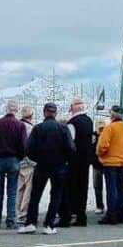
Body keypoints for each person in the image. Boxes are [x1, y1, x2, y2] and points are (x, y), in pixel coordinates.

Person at [19, 102, 74, 235]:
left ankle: (31, 223)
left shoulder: (38, 128)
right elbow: (71, 148)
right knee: (56, 196)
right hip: (59, 166)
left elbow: (28, 149)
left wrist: (37, 159)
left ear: (44, 112)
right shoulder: (63, 128)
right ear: (55, 113)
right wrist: (64, 159)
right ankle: (49, 225)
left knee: (35, 195)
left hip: (42, 165)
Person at [0, 100, 27, 229]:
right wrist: (19, 158)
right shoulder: (20, 125)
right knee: (12, 191)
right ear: (16, 111)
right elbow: (23, 145)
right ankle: (10, 220)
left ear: (6, 109)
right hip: (13, 160)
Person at [97, 104, 123, 225]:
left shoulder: (109, 128)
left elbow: (102, 146)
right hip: (122, 162)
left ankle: (111, 216)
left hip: (110, 163)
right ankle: (121, 215)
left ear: (112, 115)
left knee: (111, 189)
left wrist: (100, 154)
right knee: (121, 189)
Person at [60, 97, 94, 227]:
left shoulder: (73, 122)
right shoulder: (89, 121)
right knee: (83, 186)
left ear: (73, 107)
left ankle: (72, 213)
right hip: (86, 159)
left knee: (72, 187)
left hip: (74, 160)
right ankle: (81, 215)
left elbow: (70, 142)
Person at [15, 105, 36, 225]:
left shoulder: (17, 125)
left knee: (19, 188)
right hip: (28, 161)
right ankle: (23, 213)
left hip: (18, 160)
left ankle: (17, 211)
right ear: (31, 115)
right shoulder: (30, 128)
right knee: (28, 188)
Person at [91, 119, 105, 214]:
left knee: (108, 186)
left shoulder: (106, 135)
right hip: (97, 164)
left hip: (106, 163)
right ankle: (99, 205)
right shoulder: (93, 136)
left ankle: (102, 206)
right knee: (97, 186)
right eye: (99, 128)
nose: (101, 129)